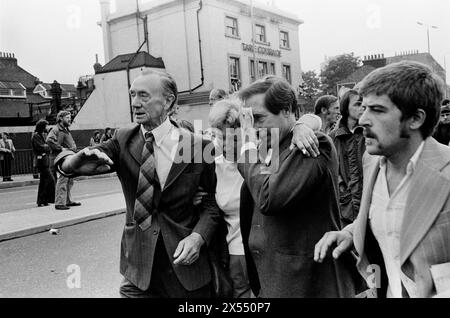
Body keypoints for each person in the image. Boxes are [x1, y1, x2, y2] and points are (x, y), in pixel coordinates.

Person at [54, 70, 222, 298]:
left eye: (144, 96)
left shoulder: (198, 146)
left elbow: (213, 204)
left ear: (168, 100)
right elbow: (72, 162)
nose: (135, 103)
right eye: (132, 95)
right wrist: (74, 161)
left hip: (185, 265)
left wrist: (198, 237)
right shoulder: (124, 139)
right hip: (139, 268)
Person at [314, 61, 450, 298]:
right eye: (363, 108)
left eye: (377, 110)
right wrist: (351, 233)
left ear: (415, 119)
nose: (363, 119)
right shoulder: (372, 161)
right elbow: (389, 215)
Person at [237, 77, 356, 298]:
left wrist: (246, 148)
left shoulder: (311, 144)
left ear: (287, 110)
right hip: (274, 280)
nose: (252, 128)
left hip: (308, 283)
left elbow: (268, 197)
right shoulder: (268, 147)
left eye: (259, 118)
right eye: (248, 120)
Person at [208, 97, 323, 298]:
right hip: (233, 256)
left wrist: (301, 126)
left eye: (234, 138)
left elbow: (314, 120)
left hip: (271, 258)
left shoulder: (267, 157)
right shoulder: (211, 168)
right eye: (220, 136)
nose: (226, 144)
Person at [329, 89, 365, 227]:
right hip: (345, 208)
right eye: (357, 104)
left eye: (364, 104)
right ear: (346, 108)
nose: (362, 108)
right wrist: (341, 186)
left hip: (370, 205)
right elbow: (330, 170)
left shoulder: (370, 133)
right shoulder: (333, 137)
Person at [46, 111, 81, 210]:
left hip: (67, 158)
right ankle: (60, 203)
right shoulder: (56, 129)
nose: (70, 119)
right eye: (67, 117)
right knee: (62, 180)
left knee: (69, 180)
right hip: (61, 158)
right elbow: (49, 140)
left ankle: (67, 201)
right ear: (61, 118)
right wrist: (60, 148)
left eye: (70, 117)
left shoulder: (65, 129)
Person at [31, 120, 55, 207]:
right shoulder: (36, 136)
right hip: (41, 161)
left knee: (43, 181)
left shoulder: (40, 135)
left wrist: (46, 147)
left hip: (44, 161)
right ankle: (44, 199)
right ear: (41, 127)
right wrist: (49, 146)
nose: (46, 128)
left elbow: (45, 146)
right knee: (50, 180)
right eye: (45, 126)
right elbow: (42, 147)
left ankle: (42, 200)